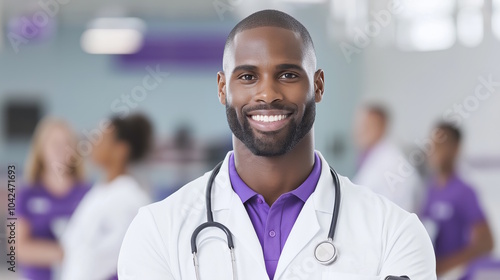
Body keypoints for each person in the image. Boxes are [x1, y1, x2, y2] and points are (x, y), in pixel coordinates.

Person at [118, 10, 435, 280]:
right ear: (222, 88)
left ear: (318, 85)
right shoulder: (156, 231)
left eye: (287, 75)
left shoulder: (394, 233)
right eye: (247, 77)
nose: (267, 94)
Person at [60, 113, 153, 280]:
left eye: (101, 138)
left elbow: (125, 260)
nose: (92, 143)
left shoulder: (129, 197)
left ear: (121, 150)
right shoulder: (100, 190)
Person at [16, 118, 90, 280]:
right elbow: (19, 248)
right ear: (41, 149)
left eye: (66, 144)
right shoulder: (27, 194)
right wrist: (64, 253)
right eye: (54, 143)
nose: (60, 150)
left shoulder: (89, 194)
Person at [420, 122, 494, 277]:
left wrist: (445, 266)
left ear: (455, 148)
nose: (433, 150)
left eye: (440, 145)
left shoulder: (464, 192)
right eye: (431, 144)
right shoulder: (429, 190)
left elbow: (486, 243)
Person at [353, 104, 422, 213]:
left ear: (382, 127)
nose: (360, 131)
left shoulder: (392, 163)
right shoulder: (372, 157)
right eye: (361, 126)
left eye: (367, 126)